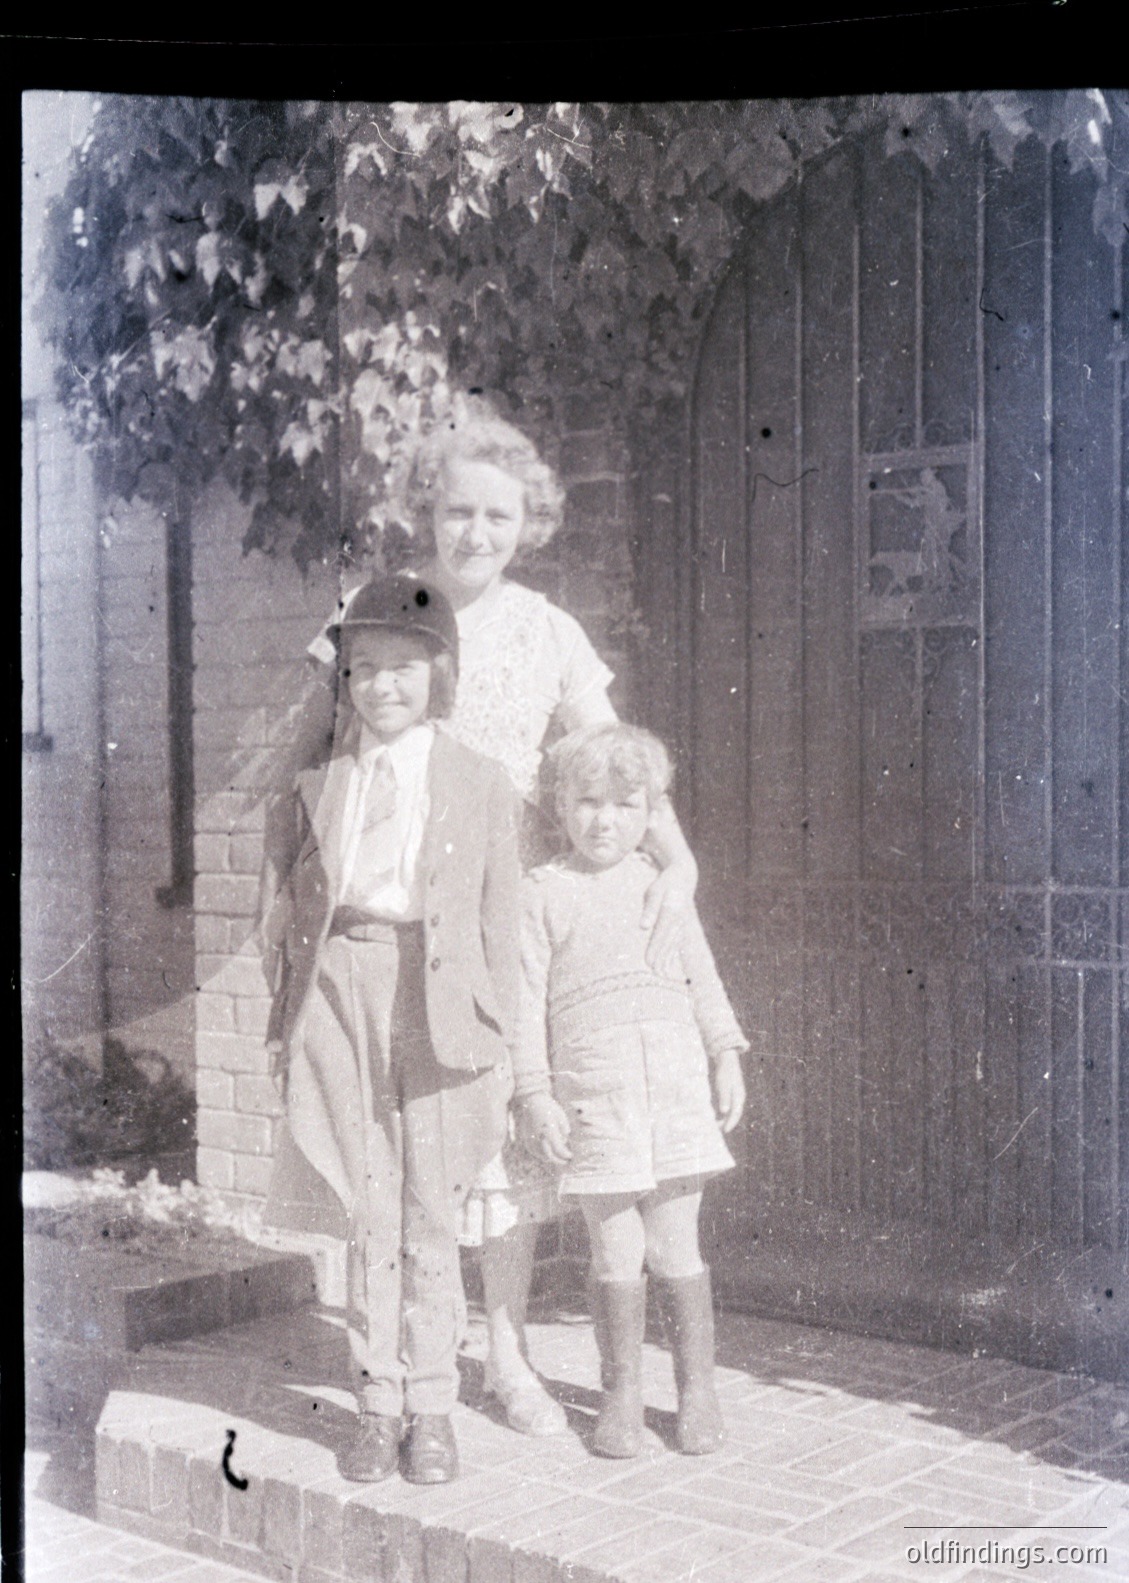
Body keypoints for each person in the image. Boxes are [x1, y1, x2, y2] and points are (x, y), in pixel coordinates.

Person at [302, 401, 700, 1438]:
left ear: (530, 525)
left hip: (501, 911)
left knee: (501, 1146)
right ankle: (394, 1366)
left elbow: (610, 754)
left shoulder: (546, 630)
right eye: (458, 511)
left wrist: (677, 852)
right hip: (393, 920)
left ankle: (506, 1351)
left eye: (498, 516)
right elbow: (316, 757)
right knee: (395, 1142)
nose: (475, 533)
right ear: (424, 513)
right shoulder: (379, 605)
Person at [260, 573, 520, 1485]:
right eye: (363, 669)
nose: (381, 687)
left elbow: (502, 928)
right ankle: (377, 1399)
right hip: (342, 987)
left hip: (441, 997)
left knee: (430, 1209)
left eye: (403, 669)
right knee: (369, 1203)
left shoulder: (482, 785)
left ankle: (434, 1404)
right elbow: (280, 912)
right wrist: (286, 1020)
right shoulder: (317, 783)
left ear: (438, 674)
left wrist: (509, 1053)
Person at [514, 722, 747, 1459]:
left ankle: (696, 1392)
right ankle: (618, 1394)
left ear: (650, 811)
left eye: (623, 803)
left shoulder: (660, 884)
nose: (603, 818)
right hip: (596, 1095)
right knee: (616, 1250)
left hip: (674, 1087)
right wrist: (534, 1091)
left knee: (677, 1243)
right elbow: (523, 1002)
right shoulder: (543, 893)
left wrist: (725, 1053)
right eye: (587, 801)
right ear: (560, 804)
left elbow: (700, 974)